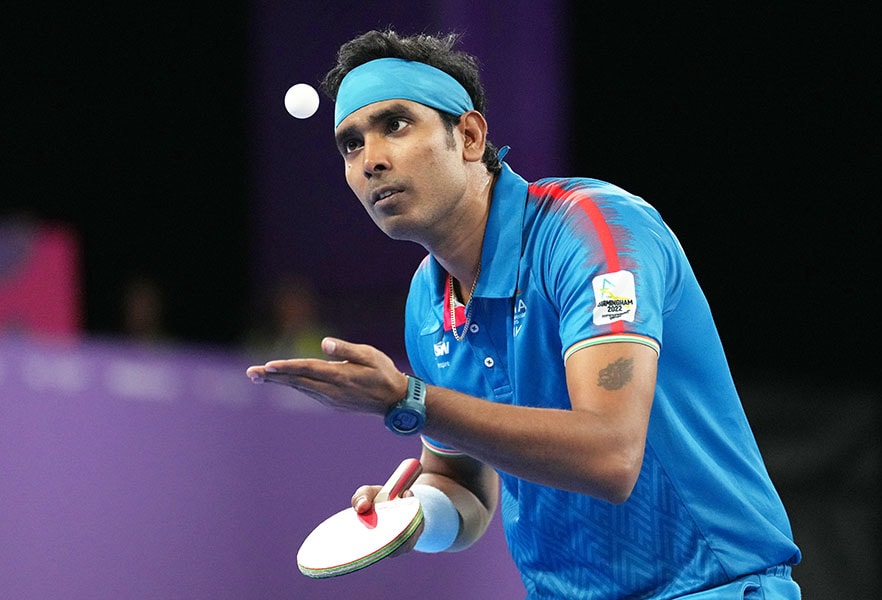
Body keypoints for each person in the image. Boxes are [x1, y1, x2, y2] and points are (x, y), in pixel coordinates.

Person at [247, 29, 801, 599]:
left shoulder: (594, 233)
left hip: (711, 587)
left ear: (467, 135)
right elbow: (462, 484)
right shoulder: (426, 302)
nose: (371, 161)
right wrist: (412, 519)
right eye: (351, 144)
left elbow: (610, 454)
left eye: (396, 124)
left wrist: (409, 401)